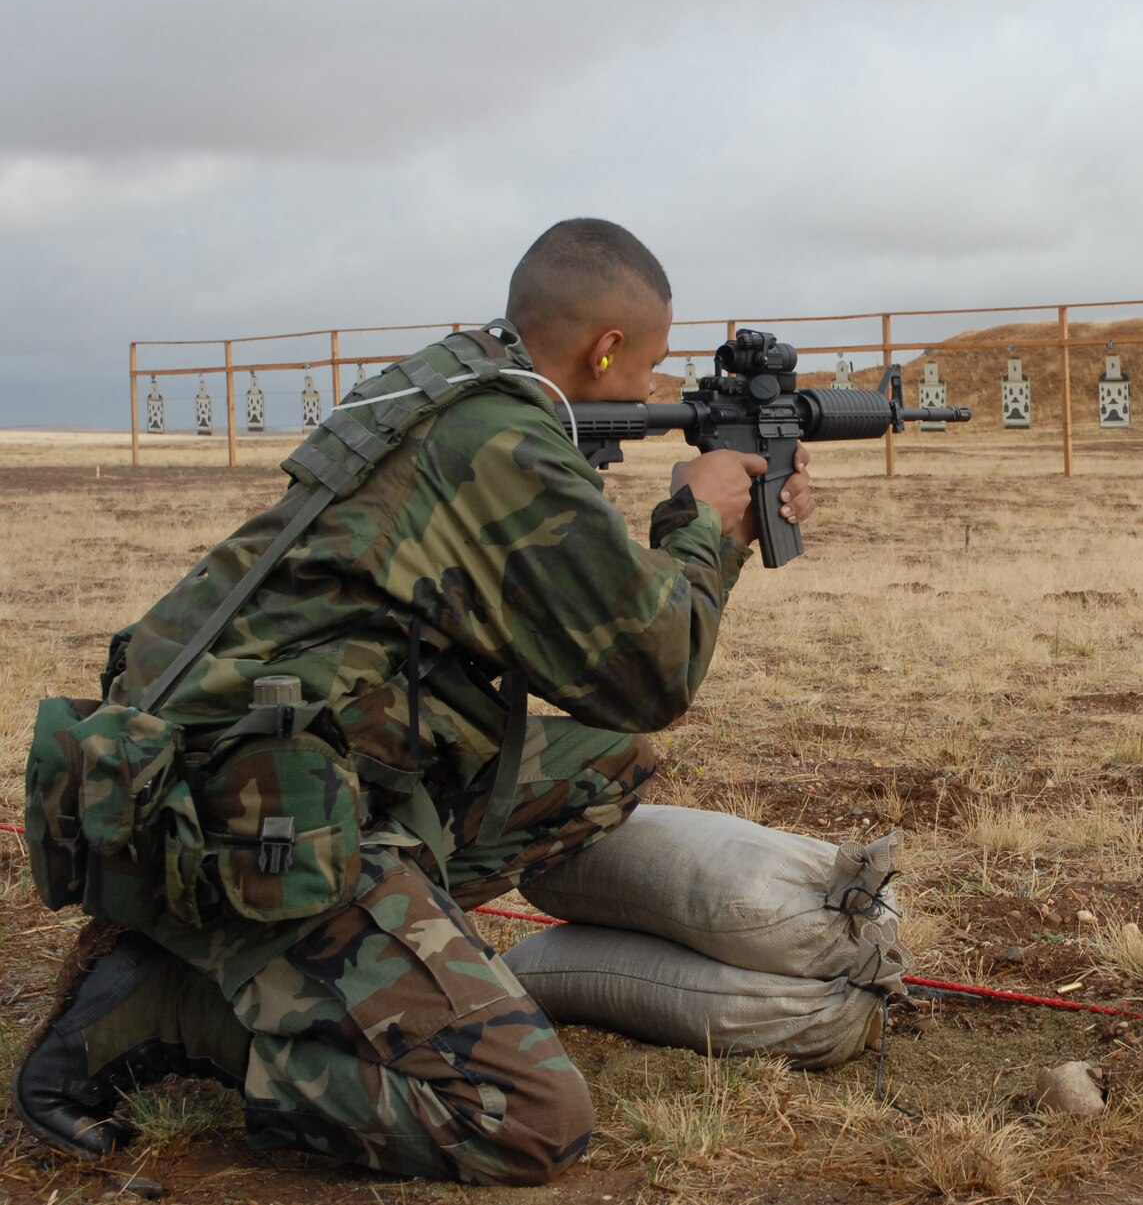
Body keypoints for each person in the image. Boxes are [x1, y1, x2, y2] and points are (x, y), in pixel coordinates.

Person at [12, 218, 810, 1184]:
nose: (654, 391)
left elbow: (593, 683)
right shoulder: (499, 445)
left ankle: (328, 962)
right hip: (255, 820)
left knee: (606, 761)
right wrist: (702, 528)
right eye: (649, 366)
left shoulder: (448, 388)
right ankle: (178, 1016)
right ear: (603, 347)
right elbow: (649, 673)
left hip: (278, 774)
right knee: (529, 1117)